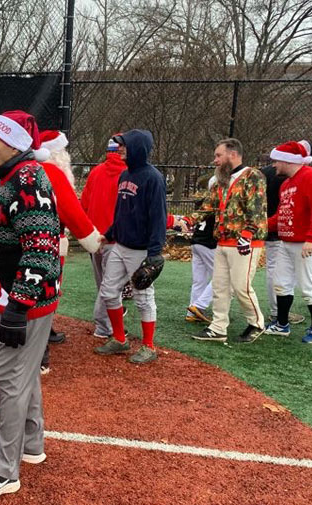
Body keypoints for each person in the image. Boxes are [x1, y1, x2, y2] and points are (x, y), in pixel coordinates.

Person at [0, 110, 60, 498]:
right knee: (26, 374)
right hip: (23, 296)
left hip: (28, 300)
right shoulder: (11, 176)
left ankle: (3, 471)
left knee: (7, 381)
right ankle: (31, 444)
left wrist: (18, 307)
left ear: (16, 144)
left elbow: (41, 250)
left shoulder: (28, 180)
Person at [0, 129, 99, 373]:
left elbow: (70, 214)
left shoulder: (36, 175)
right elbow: (75, 215)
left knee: (22, 296)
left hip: (30, 248)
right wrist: (91, 239)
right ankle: (37, 353)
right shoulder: (44, 173)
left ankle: (24, 355)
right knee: (38, 299)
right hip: (47, 246)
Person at [93, 130, 167, 364]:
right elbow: (121, 212)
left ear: (137, 147)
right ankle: (119, 338)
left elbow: (158, 217)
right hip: (121, 245)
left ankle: (149, 346)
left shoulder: (152, 177)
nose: (120, 149)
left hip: (141, 249)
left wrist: (154, 252)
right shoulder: (125, 174)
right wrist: (110, 234)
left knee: (143, 296)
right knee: (107, 291)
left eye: (124, 145)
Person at [190, 139, 267, 344]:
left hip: (244, 242)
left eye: (218, 155)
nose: (215, 160)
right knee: (220, 287)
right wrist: (187, 221)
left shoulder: (253, 175)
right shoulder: (221, 181)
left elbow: (257, 209)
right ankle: (218, 327)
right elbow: (208, 206)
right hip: (223, 241)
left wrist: (248, 235)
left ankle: (257, 323)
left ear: (232, 154)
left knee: (241, 286)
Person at [264, 141, 312, 343]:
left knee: (309, 285)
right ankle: (282, 324)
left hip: (308, 241)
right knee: (281, 283)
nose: (274, 165)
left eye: (276, 160)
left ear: (288, 160)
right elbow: (281, 216)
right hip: (288, 240)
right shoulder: (286, 184)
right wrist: (260, 226)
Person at [80, 135, 128, 340]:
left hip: (95, 236)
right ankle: (104, 325)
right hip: (116, 238)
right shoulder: (129, 173)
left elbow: (84, 204)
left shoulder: (96, 171)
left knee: (103, 283)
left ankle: (107, 321)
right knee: (111, 285)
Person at [261, 162, 306, 326]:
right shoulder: (287, 178)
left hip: (264, 225)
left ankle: (200, 303)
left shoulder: (263, 172)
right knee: (280, 272)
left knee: (272, 270)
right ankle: (277, 312)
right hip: (280, 228)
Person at [183, 179, 217, 323]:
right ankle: (198, 306)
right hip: (208, 244)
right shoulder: (218, 200)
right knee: (222, 278)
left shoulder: (203, 201)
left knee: (199, 281)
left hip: (197, 242)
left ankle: (192, 312)